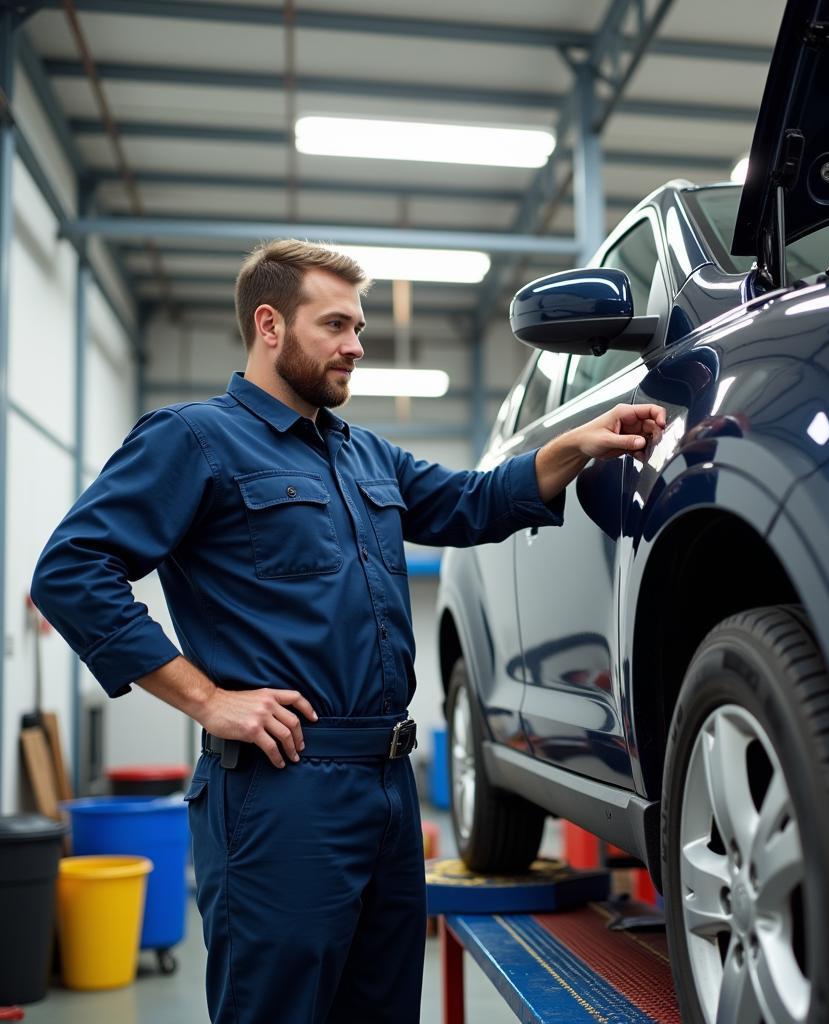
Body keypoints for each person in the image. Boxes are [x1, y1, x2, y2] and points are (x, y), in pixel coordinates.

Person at [31, 239, 666, 1024]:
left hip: (389, 788)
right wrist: (206, 700)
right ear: (269, 325)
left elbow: (471, 502)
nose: (356, 346)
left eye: (358, 327)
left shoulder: (366, 453)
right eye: (335, 325)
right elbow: (69, 572)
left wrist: (576, 442)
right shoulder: (194, 440)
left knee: (384, 1006)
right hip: (281, 792)